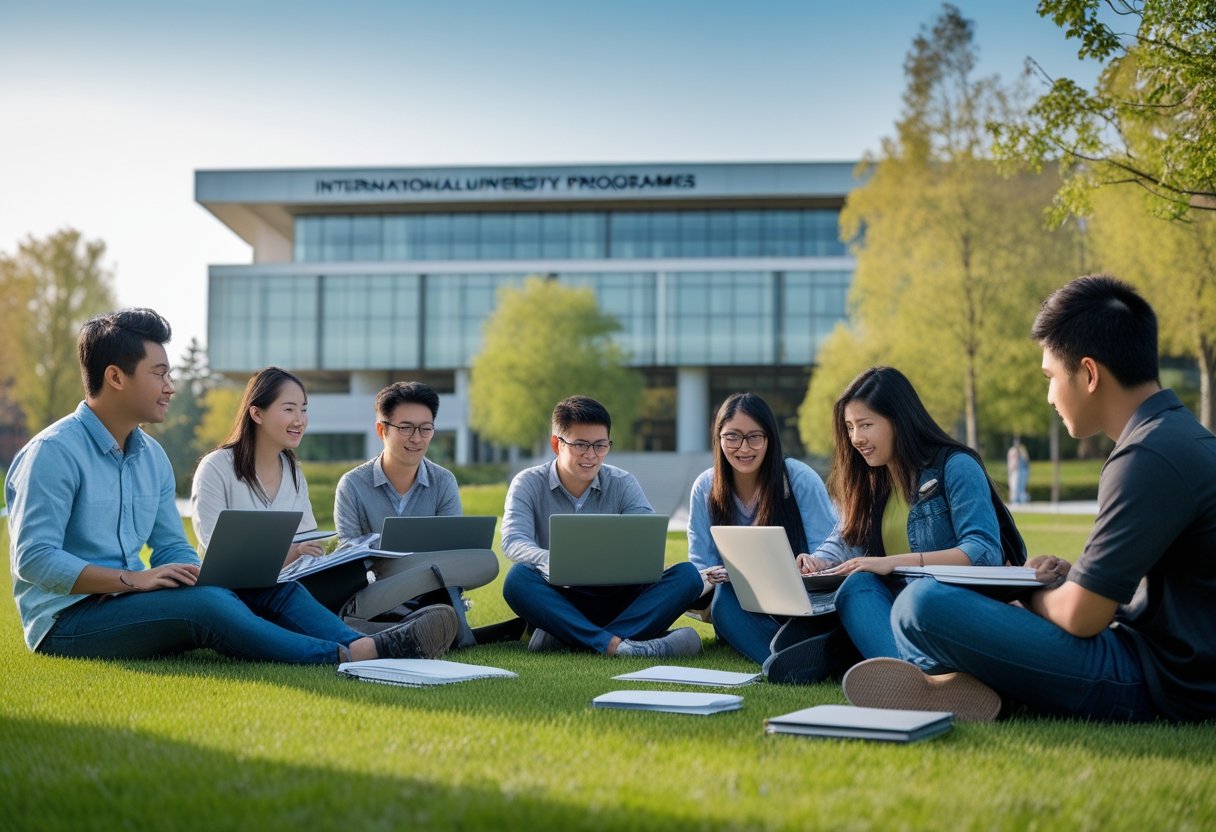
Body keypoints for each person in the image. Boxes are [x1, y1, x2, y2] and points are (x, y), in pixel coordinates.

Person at [843, 275, 1216, 723]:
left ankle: (956, 684)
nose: (1049, 396)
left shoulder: (1146, 456)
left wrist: (1028, 593)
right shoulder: (1182, 438)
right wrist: (1071, 576)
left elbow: (1081, 618)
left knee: (919, 606)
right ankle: (958, 685)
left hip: (1155, 681)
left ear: (1090, 373)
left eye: (1051, 377)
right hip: (1170, 665)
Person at [6, 308, 457, 663]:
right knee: (206, 607)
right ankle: (348, 654)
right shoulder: (54, 452)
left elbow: (170, 549)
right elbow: (35, 560)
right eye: (159, 373)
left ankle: (358, 639)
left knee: (262, 585)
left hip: (126, 601)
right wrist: (133, 580)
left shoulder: (152, 457)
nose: (171, 386)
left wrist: (202, 573)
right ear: (116, 376)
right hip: (67, 621)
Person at [798, 366, 1004, 662]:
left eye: (865, 425)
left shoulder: (956, 466)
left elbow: (983, 551)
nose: (856, 438)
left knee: (882, 592)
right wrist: (818, 561)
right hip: (891, 608)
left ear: (899, 421)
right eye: (849, 426)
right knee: (857, 585)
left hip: (944, 607)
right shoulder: (871, 480)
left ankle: (907, 672)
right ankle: (913, 671)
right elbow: (847, 540)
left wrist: (893, 563)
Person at [500, 395, 704, 657]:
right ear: (556, 444)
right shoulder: (527, 483)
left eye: (600, 445)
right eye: (581, 445)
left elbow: (645, 538)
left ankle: (572, 637)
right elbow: (514, 540)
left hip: (619, 598)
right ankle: (620, 644)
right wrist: (552, 561)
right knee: (517, 580)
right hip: (560, 598)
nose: (591, 455)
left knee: (688, 576)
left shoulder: (623, 482)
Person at [331, 381, 499, 638]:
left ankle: (412, 624)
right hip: (378, 588)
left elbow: (453, 552)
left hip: (431, 585)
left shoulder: (443, 481)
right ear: (381, 429)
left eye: (425, 429)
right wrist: (386, 551)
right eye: (406, 428)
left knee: (487, 560)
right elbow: (348, 556)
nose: (417, 438)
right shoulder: (352, 484)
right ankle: (441, 627)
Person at [686, 392, 837, 664]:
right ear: (718, 438)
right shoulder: (706, 487)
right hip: (738, 603)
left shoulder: (799, 479)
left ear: (770, 439)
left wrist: (809, 564)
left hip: (799, 602)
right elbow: (700, 566)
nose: (743, 449)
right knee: (726, 597)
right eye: (732, 436)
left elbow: (829, 555)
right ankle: (788, 660)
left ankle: (790, 654)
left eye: (754, 437)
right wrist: (719, 574)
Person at [191, 367, 324, 565]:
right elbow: (221, 557)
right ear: (256, 414)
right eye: (289, 409)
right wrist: (294, 553)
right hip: (229, 591)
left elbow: (308, 542)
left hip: (286, 586)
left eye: (303, 410)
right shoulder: (216, 468)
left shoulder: (293, 470)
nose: (300, 420)